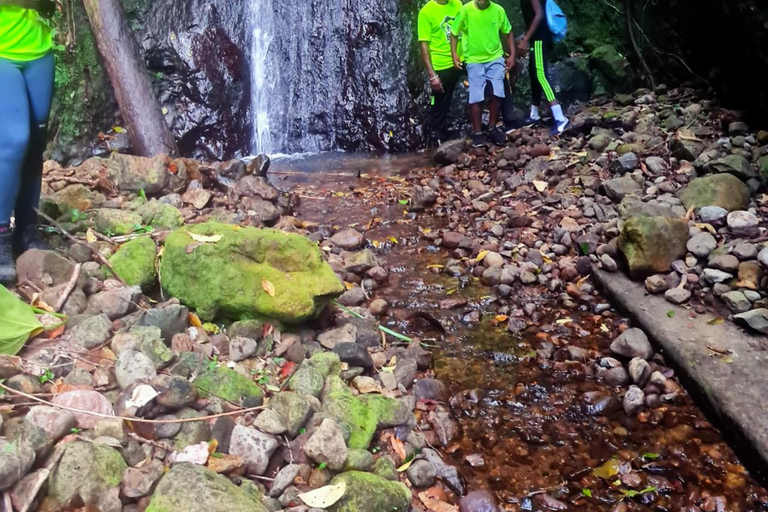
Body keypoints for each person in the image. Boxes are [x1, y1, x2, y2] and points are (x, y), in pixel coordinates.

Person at [0, 0, 55, 283]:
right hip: (2, 51)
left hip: (39, 49)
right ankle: (0, 238)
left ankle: (26, 230)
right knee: (12, 141)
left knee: (35, 143)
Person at [450, 0, 515, 148]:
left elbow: (508, 32)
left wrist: (512, 55)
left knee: (497, 93)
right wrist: (454, 55)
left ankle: (492, 127)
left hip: (495, 57)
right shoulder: (466, 10)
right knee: (476, 96)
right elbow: (454, 33)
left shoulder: (498, 10)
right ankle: (478, 132)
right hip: (473, 59)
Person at [518, 0, 569, 135]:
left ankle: (560, 117)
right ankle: (534, 114)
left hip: (540, 38)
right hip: (536, 37)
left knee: (540, 75)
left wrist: (525, 39)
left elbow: (539, 14)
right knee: (533, 72)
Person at [418, 0, 464, 145]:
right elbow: (424, 44)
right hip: (441, 64)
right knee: (440, 102)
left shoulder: (457, 4)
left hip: (462, 59)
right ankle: (438, 139)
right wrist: (432, 74)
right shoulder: (426, 12)